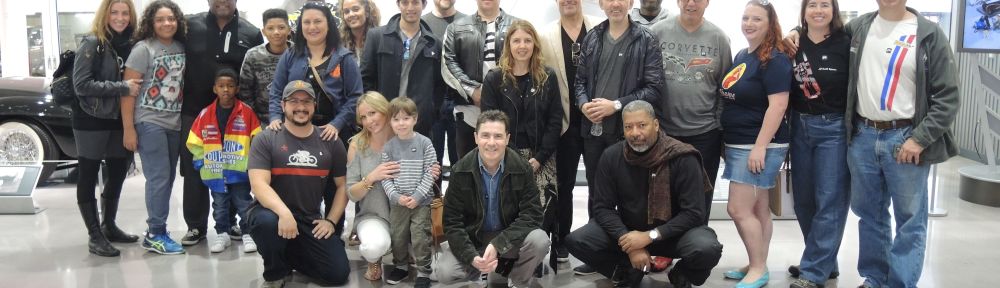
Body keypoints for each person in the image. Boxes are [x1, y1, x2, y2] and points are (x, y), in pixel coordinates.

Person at [828, 1, 958, 287]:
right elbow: (823, 32)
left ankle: (900, 283)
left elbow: (947, 97)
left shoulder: (928, 34)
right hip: (863, 136)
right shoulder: (859, 27)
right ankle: (875, 278)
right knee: (869, 214)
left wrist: (919, 139)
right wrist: (791, 32)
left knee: (910, 220)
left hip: (906, 139)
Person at [564, 100, 722, 288]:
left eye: (642, 125)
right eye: (628, 127)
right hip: (630, 231)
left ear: (656, 125)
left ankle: (682, 273)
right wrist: (629, 243)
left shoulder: (683, 157)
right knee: (577, 240)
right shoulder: (612, 156)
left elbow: (694, 213)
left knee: (707, 248)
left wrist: (650, 236)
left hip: (675, 234)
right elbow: (603, 208)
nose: (635, 133)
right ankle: (627, 271)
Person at [573, 0, 665, 275]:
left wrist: (616, 105)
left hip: (629, 134)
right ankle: (599, 253)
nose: (615, 4)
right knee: (597, 194)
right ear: (601, 4)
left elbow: (654, 89)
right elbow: (579, 82)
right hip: (594, 133)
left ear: (631, 3)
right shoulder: (592, 37)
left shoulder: (645, 39)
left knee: (632, 196)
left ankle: (634, 251)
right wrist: (583, 105)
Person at [268, 3, 364, 235]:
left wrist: (337, 124)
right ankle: (296, 233)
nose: (312, 27)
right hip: (295, 131)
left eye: (317, 21)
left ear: (329, 25)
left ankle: (332, 229)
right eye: (307, 22)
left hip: (333, 132)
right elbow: (276, 90)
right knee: (296, 183)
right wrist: (274, 117)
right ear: (300, 27)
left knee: (334, 186)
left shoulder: (343, 57)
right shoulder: (291, 55)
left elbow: (355, 97)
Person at [718, 2, 793, 287]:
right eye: (746, 17)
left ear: (770, 23)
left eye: (757, 19)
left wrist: (759, 146)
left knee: (737, 209)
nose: (749, 23)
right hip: (740, 143)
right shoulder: (743, 54)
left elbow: (778, 105)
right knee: (759, 208)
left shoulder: (774, 59)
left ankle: (759, 268)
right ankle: (756, 261)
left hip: (759, 145)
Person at [247, 80, 351, 288]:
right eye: (294, 101)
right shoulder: (266, 138)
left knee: (337, 273)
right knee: (266, 223)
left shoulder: (330, 140)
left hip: (308, 220)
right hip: (273, 215)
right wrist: (284, 214)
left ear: (314, 105)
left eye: (306, 101)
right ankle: (276, 271)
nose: (301, 107)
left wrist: (330, 221)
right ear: (283, 105)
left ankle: (288, 253)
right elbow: (259, 185)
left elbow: (343, 186)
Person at [180, 0, 264, 247]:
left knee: (233, 169)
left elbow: (256, 71)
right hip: (195, 112)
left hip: (235, 115)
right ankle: (196, 226)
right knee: (196, 168)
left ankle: (229, 225)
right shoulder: (189, 26)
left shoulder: (250, 32)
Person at [436, 110, 550, 288]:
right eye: (485, 135)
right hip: (474, 238)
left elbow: (532, 215)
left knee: (540, 240)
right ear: (475, 137)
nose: (491, 142)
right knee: (445, 272)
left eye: (498, 136)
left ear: (507, 138)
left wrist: (498, 244)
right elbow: (452, 223)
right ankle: (485, 270)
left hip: (508, 237)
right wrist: (471, 257)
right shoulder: (460, 170)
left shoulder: (522, 168)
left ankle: (517, 279)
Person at [345, 92, 443, 283]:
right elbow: (352, 194)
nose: (368, 121)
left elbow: (428, 169)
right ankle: (377, 259)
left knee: (419, 237)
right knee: (378, 244)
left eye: (372, 113)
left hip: (413, 206)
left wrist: (429, 175)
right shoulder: (358, 145)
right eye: (363, 117)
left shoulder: (413, 140)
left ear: (385, 111)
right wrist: (372, 177)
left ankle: (418, 265)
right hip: (377, 214)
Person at [785, 1, 850, 287]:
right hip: (799, 126)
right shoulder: (792, 43)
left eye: (826, 4)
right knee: (803, 202)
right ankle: (825, 261)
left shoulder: (846, 43)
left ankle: (813, 271)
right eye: (813, 4)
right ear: (804, 10)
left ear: (834, 10)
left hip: (834, 128)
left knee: (830, 201)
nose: (819, 10)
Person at [71, 0, 141, 257]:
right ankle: (94, 235)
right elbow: (82, 85)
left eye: (125, 13)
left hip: (116, 119)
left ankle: (108, 225)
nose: (120, 18)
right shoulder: (92, 42)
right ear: (105, 14)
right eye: (115, 12)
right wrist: (121, 88)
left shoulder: (131, 44)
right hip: (90, 118)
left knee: (118, 171)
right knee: (88, 174)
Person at [650, 0, 731, 221]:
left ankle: (695, 249)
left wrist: (718, 125)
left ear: (707, 2)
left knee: (700, 197)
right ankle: (664, 250)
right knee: (664, 195)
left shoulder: (719, 39)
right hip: (665, 132)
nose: (691, 3)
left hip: (705, 133)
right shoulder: (658, 32)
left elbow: (725, 89)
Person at [121, 0, 187, 255]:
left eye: (170, 18)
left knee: (167, 178)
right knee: (159, 179)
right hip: (149, 122)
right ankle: (155, 233)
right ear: (151, 22)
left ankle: (159, 229)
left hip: (174, 123)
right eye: (160, 19)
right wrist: (129, 128)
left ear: (177, 21)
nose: (166, 23)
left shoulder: (181, 46)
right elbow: (127, 93)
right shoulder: (142, 49)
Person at [481, 19, 562, 219]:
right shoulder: (494, 78)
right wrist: (515, 158)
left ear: (535, 44)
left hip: (541, 156)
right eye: (516, 41)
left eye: (527, 40)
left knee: (541, 216)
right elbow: (489, 121)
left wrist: (540, 158)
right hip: (504, 154)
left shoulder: (547, 77)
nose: (522, 46)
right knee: (508, 213)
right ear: (508, 44)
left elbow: (555, 120)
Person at [538, 0, 600, 264]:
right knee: (563, 186)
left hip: (598, 122)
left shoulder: (600, 28)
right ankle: (561, 240)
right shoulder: (545, 35)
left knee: (600, 187)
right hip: (564, 124)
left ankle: (597, 244)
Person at [186, 68, 262, 253]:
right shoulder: (205, 114)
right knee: (219, 205)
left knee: (244, 203)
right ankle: (222, 234)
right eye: (221, 86)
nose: (225, 90)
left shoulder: (247, 112)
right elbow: (193, 141)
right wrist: (201, 162)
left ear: (237, 89)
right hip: (215, 172)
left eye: (230, 86)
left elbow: (257, 140)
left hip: (240, 172)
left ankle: (248, 234)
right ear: (214, 89)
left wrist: (252, 165)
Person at [441, 0, 520, 159]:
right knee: (467, 172)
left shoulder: (517, 25)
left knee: (508, 170)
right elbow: (448, 61)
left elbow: (525, 62)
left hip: (509, 112)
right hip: (468, 113)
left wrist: (498, 95)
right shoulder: (456, 28)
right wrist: (472, 91)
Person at [360, 0, 445, 136]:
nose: (410, 8)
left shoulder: (434, 43)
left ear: (424, 5)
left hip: (418, 123)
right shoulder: (377, 37)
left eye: (415, 3)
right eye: (405, 3)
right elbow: (365, 79)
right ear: (398, 4)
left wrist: (431, 111)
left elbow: (440, 86)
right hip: (383, 119)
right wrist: (373, 112)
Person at [379, 97, 438, 287]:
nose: (401, 123)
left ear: (415, 118)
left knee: (420, 236)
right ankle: (401, 266)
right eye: (396, 119)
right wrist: (396, 197)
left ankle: (424, 272)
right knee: (398, 235)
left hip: (421, 202)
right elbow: (386, 177)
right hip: (398, 203)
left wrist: (417, 196)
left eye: (406, 118)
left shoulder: (425, 143)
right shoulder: (388, 147)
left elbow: (431, 172)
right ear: (390, 122)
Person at [423, 0, 465, 168]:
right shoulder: (422, 23)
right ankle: (434, 195)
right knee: (431, 162)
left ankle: (458, 195)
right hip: (431, 102)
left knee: (462, 160)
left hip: (463, 100)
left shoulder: (468, 22)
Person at [240, 9, 292, 123]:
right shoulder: (253, 55)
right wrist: (254, 119)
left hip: (295, 118)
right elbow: (245, 91)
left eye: (281, 27)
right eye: (270, 28)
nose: (276, 32)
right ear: (263, 31)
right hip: (262, 120)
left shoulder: (299, 53)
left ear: (289, 30)